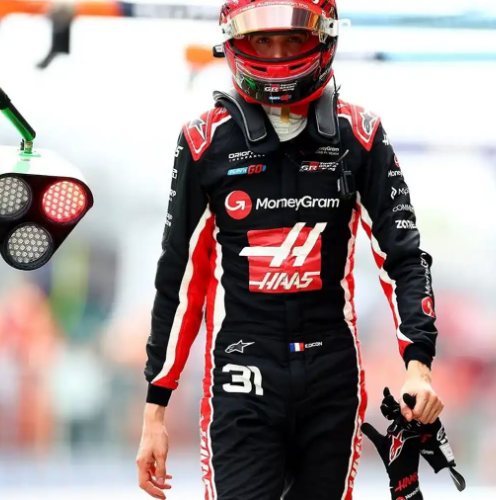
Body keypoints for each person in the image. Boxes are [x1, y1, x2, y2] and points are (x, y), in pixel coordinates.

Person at [136, 1, 443, 499]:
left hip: (332, 377)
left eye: (292, 39)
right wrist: (155, 409)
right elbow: (178, 277)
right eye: (262, 39)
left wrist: (418, 365)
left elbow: (404, 258)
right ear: (236, 41)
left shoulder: (361, 136)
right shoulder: (202, 142)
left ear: (322, 38)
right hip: (242, 375)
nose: (277, 54)